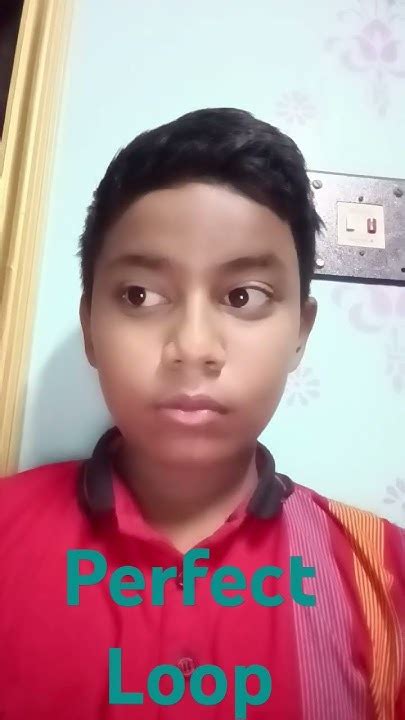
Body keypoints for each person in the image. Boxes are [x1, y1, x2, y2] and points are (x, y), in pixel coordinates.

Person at [0, 108, 403, 720]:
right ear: (89, 326)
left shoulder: (384, 577)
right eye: (140, 295)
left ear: (300, 332)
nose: (192, 346)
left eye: (243, 296)